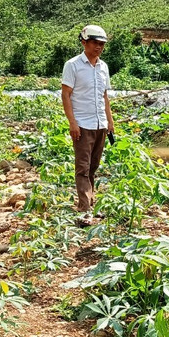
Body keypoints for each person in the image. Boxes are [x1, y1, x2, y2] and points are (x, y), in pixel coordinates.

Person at [61, 24, 115, 215]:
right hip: (82, 125)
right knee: (82, 168)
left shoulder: (103, 67)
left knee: (93, 167)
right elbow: (66, 94)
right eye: (94, 42)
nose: (98, 47)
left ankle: (90, 202)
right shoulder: (73, 65)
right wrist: (72, 123)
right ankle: (84, 210)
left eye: (101, 44)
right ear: (84, 42)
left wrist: (110, 121)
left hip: (100, 124)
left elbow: (104, 96)